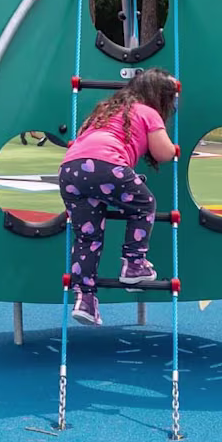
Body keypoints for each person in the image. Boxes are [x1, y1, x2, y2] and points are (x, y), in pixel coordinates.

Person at [59, 68, 181, 327]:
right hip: (106, 167)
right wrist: (174, 150)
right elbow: (162, 153)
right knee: (144, 204)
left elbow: (95, 146)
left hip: (70, 171)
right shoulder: (147, 112)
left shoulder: (104, 112)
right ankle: (135, 264)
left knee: (87, 237)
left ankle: (86, 300)